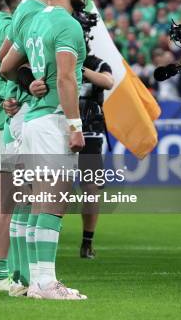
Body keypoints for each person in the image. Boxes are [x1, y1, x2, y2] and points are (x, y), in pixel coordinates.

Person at [0, 0, 88, 300]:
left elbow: (6, 65)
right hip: (53, 119)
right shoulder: (67, 25)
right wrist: (75, 126)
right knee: (52, 204)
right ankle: (48, 283)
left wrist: (27, 82)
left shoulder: (35, 21)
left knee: (40, 205)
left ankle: (38, 282)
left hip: (33, 120)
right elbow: (66, 78)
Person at [77, 51, 114, 258]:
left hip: (90, 132)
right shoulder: (52, 57)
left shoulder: (96, 63)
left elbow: (108, 82)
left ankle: (87, 242)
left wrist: (81, 69)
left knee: (91, 188)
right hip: (58, 131)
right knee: (52, 185)